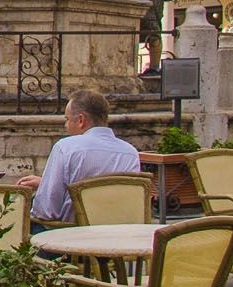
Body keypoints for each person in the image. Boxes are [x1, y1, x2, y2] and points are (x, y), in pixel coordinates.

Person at [16, 89, 140, 225]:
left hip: (73, 233)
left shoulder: (66, 148)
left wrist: (45, 191)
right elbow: (110, 195)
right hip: (118, 231)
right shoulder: (131, 153)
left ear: (81, 120)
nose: (65, 125)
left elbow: (46, 211)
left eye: (67, 119)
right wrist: (45, 184)